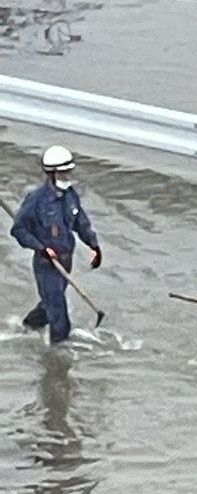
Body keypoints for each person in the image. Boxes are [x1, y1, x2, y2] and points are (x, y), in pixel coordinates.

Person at [10, 145, 102, 345]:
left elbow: (81, 223)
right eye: (63, 172)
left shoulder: (71, 196)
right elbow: (19, 230)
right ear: (51, 173)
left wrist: (94, 246)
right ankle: (59, 358)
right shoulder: (36, 201)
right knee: (59, 314)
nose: (68, 175)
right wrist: (41, 247)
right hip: (47, 265)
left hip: (65, 262)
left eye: (69, 171)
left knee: (50, 304)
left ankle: (29, 326)